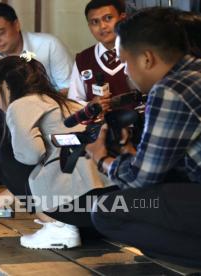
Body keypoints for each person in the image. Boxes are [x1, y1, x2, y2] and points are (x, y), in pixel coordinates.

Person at [84, 7, 201, 265]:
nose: (125, 71)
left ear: (147, 59)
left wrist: (101, 158)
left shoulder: (172, 88)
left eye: (125, 62)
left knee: (106, 209)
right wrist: (132, 155)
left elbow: (140, 180)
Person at [0, 55, 108, 250]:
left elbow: (30, 157)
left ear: (5, 87)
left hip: (76, 206)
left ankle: (57, 227)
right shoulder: (61, 102)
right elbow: (43, 175)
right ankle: (63, 225)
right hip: (103, 207)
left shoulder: (20, 105)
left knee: (5, 156)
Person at [0, 2, 73, 165]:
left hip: (45, 108)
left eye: (0, 32)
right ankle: (4, 166)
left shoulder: (47, 45)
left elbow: (68, 88)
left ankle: (46, 163)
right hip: (5, 112)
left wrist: (37, 103)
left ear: (16, 25)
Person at [67, 0, 131, 111]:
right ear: (89, 26)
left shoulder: (138, 51)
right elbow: (73, 102)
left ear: (123, 18)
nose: (102, 26)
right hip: (98, 126)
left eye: (108, 18)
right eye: (95, 22)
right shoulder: (83, 59)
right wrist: (92, 106)